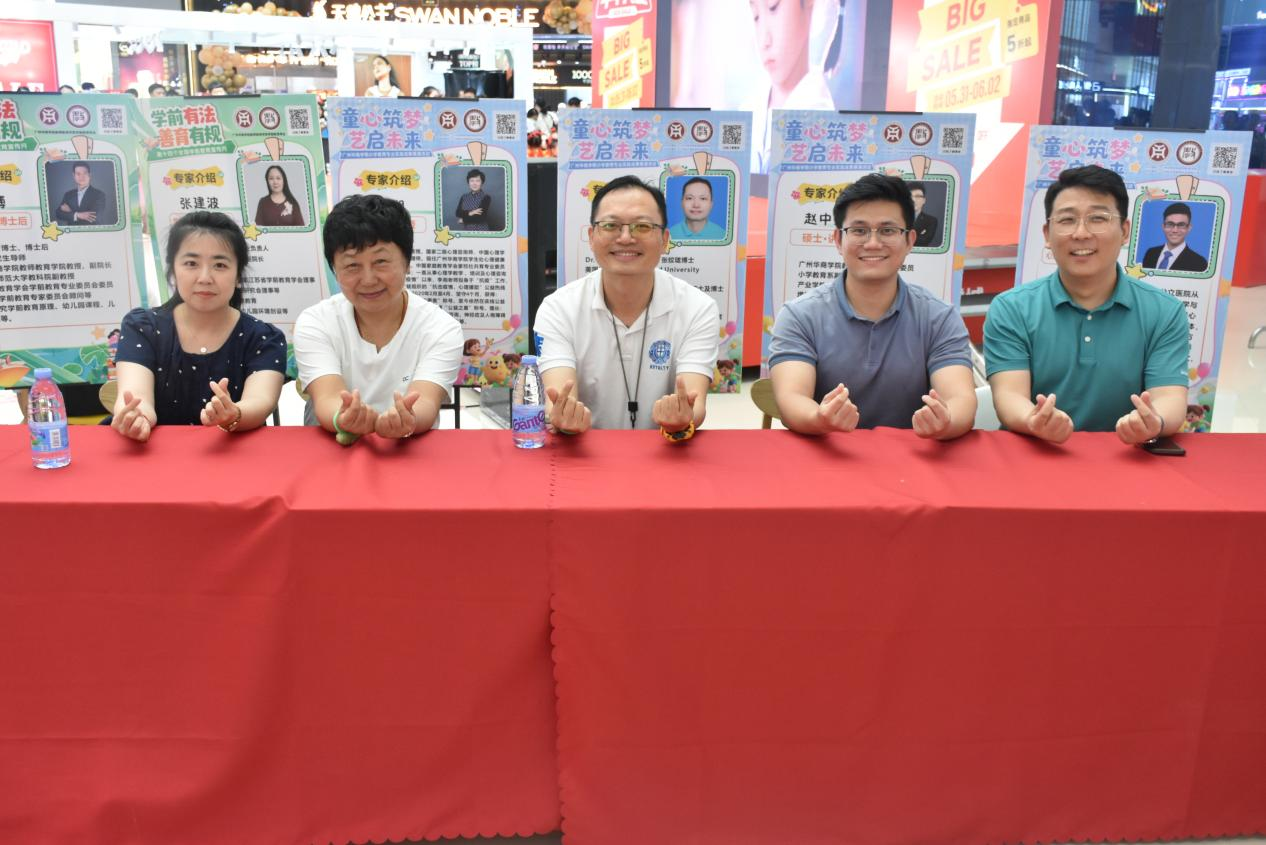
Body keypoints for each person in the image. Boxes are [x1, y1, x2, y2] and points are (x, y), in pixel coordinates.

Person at [985, 165, 1189, 444]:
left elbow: (1170, 397)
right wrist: (1034, 419)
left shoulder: (1164, 311)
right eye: (1067, 220)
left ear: (1125, 231)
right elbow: (1009, 394)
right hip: (1037, 453)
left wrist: (1153, 421)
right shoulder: (1011, 308)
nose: (1081, 233)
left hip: (1125, 455)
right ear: (1047, 234)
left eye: (1098, 218)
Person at [769, 173, 975, 438]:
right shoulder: (799, 315)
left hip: (912, 454)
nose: (873, 243)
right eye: (859, 230)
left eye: (888, 230)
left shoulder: (939, 317)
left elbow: (960, 399)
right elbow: (792, 398)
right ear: (838, 240)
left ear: (910, 240)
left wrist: (946, 422)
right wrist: (819, 418)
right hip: (828, 452)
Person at [533, 175, 721, 439]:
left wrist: (682, 417)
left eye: (642, 226)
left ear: (665, 240)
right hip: (585, 449)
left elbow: (695, 403)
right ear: (591, 236)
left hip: (664, 450)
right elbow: (558, 400)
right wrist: (565, 417)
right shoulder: (558, 308)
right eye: (611, 225)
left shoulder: (698, 308)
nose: (625, 237)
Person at [294, 194, 463, 442]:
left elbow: (426, 401)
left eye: (381, 261)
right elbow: (327, 398)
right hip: (336, 446)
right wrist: (344, 418)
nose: (369, 279)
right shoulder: (315, 322)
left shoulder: (441, 328)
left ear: (407, 262)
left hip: (407, 447)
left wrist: (408, 419)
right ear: (334, 269)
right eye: (352, 266)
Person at [110, 212, 286, 441]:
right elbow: (136, 395)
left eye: (220, 265)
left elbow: (261, 400)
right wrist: (137, 417)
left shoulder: (264, 338)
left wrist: (234, 414)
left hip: (233, 454)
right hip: (155, 451)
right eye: (191, 263)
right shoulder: (142, 328)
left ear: (238, 275)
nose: (205, 278)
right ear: (173, 271)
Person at [747, 0, 834, 172]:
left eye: (773, 7)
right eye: (756, 16)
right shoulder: (748, 108)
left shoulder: (822, 114)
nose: (764, 40)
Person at [1140, 202, 1207, 272]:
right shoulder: (1150, 253)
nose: (1175, 230)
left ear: (1189, 228)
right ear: (1163, 226)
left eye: (1181, 225)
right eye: (1170, 224)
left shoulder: (1199, 263)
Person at [910, 182, 940, 248]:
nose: (913, 200)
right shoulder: (897, 218)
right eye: (910, 196)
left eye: (918, 196)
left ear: (924, 200)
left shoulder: (931, 221)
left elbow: (924, 242)